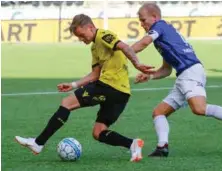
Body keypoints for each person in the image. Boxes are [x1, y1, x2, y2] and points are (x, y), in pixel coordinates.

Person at [15, 14, 154, 162]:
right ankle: (133, 144)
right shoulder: (94, 47)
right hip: (121, 94)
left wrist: (137, 63)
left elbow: (125, 47)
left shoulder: (104, 35)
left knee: (67, 103)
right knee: (98, 132)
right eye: (79, 38)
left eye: (82, 35)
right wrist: (74, 85)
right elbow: (95, 74)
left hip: (110, 86)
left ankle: (38, 143)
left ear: (90, 27)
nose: (82, 40)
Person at [131, 3, 222, 157]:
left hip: (190, 71)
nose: (142, 24)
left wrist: (124, 51)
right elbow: (167, 69)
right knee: (159, 112)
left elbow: (144, 42)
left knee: (199, 108)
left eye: (143, 20)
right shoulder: (164, 36)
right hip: (184, 75)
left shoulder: (159, 26)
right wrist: (150, 76)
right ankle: (162, 147)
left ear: (154, 17)